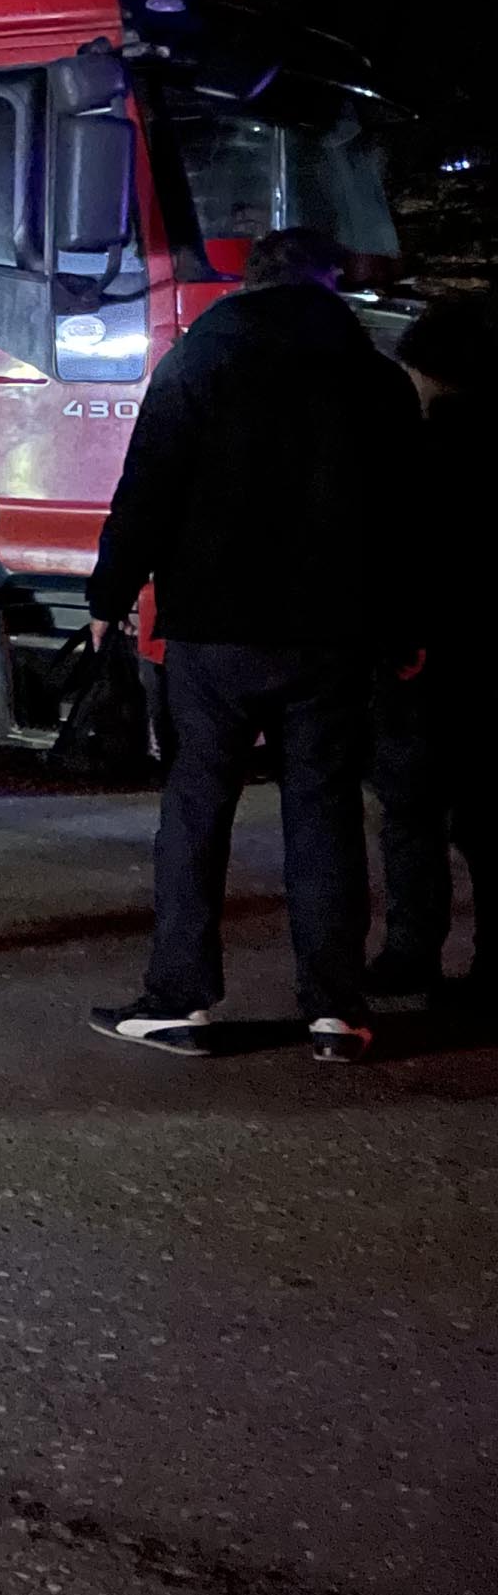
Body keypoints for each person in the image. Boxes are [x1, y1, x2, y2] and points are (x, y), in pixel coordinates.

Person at [84, 226, 424, 1064]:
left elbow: (148, 485)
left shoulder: (199, 363)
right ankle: (337, 1011)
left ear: (249, 282)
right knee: (326, 811)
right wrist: (405, 624)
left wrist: (109, 595)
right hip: (335, 633)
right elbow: (409, 517)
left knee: (198, 807)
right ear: (329, 284)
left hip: (216, 629)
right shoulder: (375, 380)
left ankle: (179, 1000)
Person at [367, 298, 498, 1002]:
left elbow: (395, 558)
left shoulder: (415, 451)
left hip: (423, 658)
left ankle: (411, 954)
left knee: (412, 811)